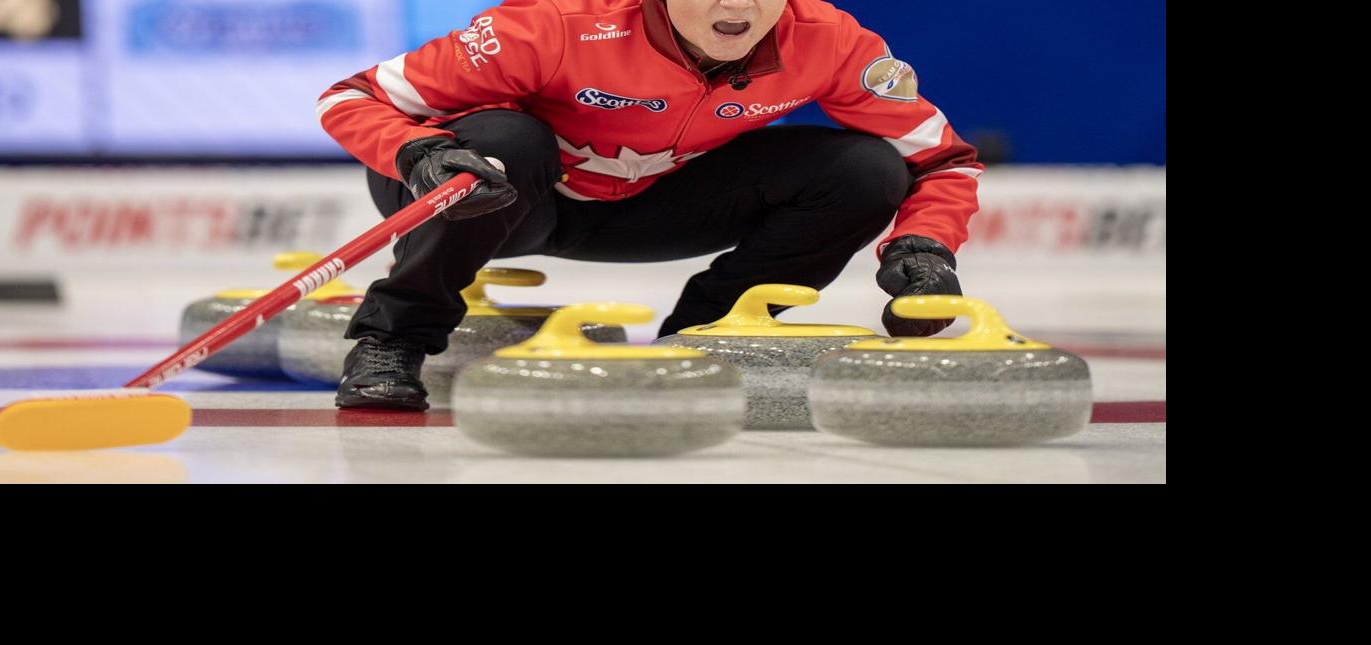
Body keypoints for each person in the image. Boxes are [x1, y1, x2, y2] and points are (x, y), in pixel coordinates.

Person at [317, 0, 982, 410]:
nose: (739, 7)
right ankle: (391, 342)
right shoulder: (554, 24)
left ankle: (709, 342)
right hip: (490, 194)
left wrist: (924, 244)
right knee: (504, 135)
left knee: (866, 169)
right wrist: (415, 155)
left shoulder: (829, 41)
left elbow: (943, 158)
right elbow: (349, 97)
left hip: (643, 205)